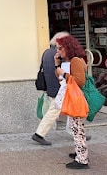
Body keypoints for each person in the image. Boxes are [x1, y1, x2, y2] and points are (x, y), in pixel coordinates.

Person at [55, 35, 89, 169]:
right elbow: (60, 79)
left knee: (78, 129)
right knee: (76, 128)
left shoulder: (75, 60)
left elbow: (79, 81)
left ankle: (82, 160)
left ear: (68, 48)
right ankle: (79, 152)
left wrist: (64, 74)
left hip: (76, 99)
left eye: (61, 48)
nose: (59, 51)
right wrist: (57, 65)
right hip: (74, 98)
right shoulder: (74, 60)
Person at [32, 31, 69, 146]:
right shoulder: (60, 54)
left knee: (71, 111)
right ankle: (39, 134)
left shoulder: (46, 52)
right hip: (60, 86)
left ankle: (76, 131)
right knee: (53, 112)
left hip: (51, 86)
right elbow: (62, 71)